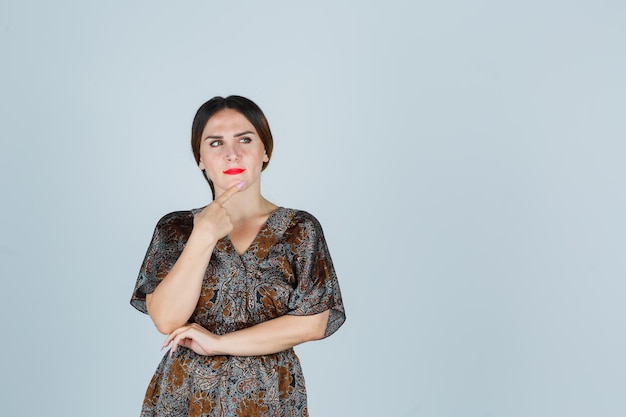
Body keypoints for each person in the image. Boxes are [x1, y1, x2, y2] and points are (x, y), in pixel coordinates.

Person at [130, 95, 346, 417]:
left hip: (270, 394)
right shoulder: (175, 229)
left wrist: (217, 343)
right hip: (188, 395)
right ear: (200, 158)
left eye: (245, 139)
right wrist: (203, 235)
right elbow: (166, 318)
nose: (232, 153)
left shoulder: (300, 230)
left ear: (265, 150)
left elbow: (313, 323)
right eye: (215, 143)